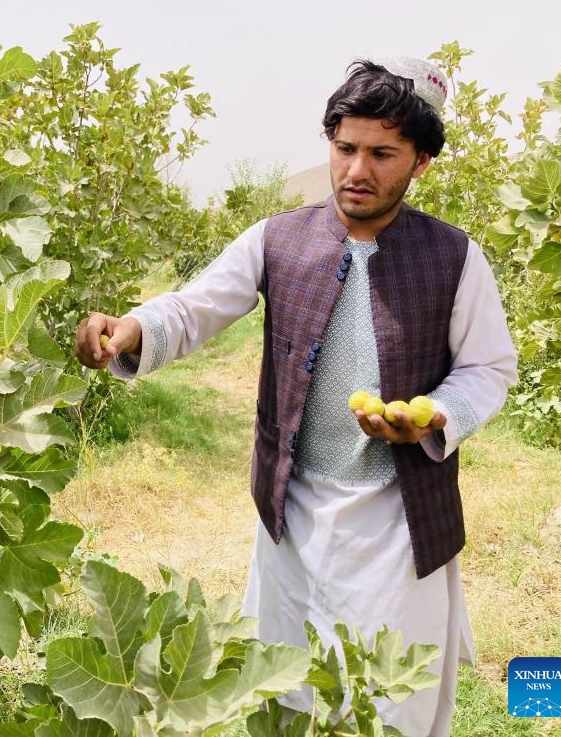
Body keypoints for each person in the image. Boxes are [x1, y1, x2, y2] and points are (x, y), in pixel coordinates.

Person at [73, 57, 518, 735]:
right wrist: (133, 327)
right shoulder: (278, 238)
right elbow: (196, 307)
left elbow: (488, 368)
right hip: (294, 514)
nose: (356, 171)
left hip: (400, 525)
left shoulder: (455, 257)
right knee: (284, 688)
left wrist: (434, 415)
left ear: (421, 162)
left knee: (390, 700)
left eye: (381, 154)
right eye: (344, 148)